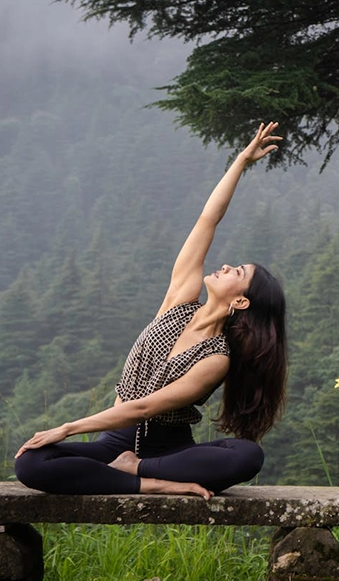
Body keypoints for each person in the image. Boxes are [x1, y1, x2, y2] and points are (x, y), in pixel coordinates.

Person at [14, 122, 287, 500]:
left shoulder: (217, 359)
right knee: (30, 462)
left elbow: (144, 407)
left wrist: (67, 428)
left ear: (241, 302)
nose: (225, 266)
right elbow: (207, 221)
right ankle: (148, 483)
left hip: (166, 450)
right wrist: (241, 161)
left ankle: (140, 470)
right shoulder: (179, 302)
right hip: (115, 445)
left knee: (247, 455)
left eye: (236, 272)